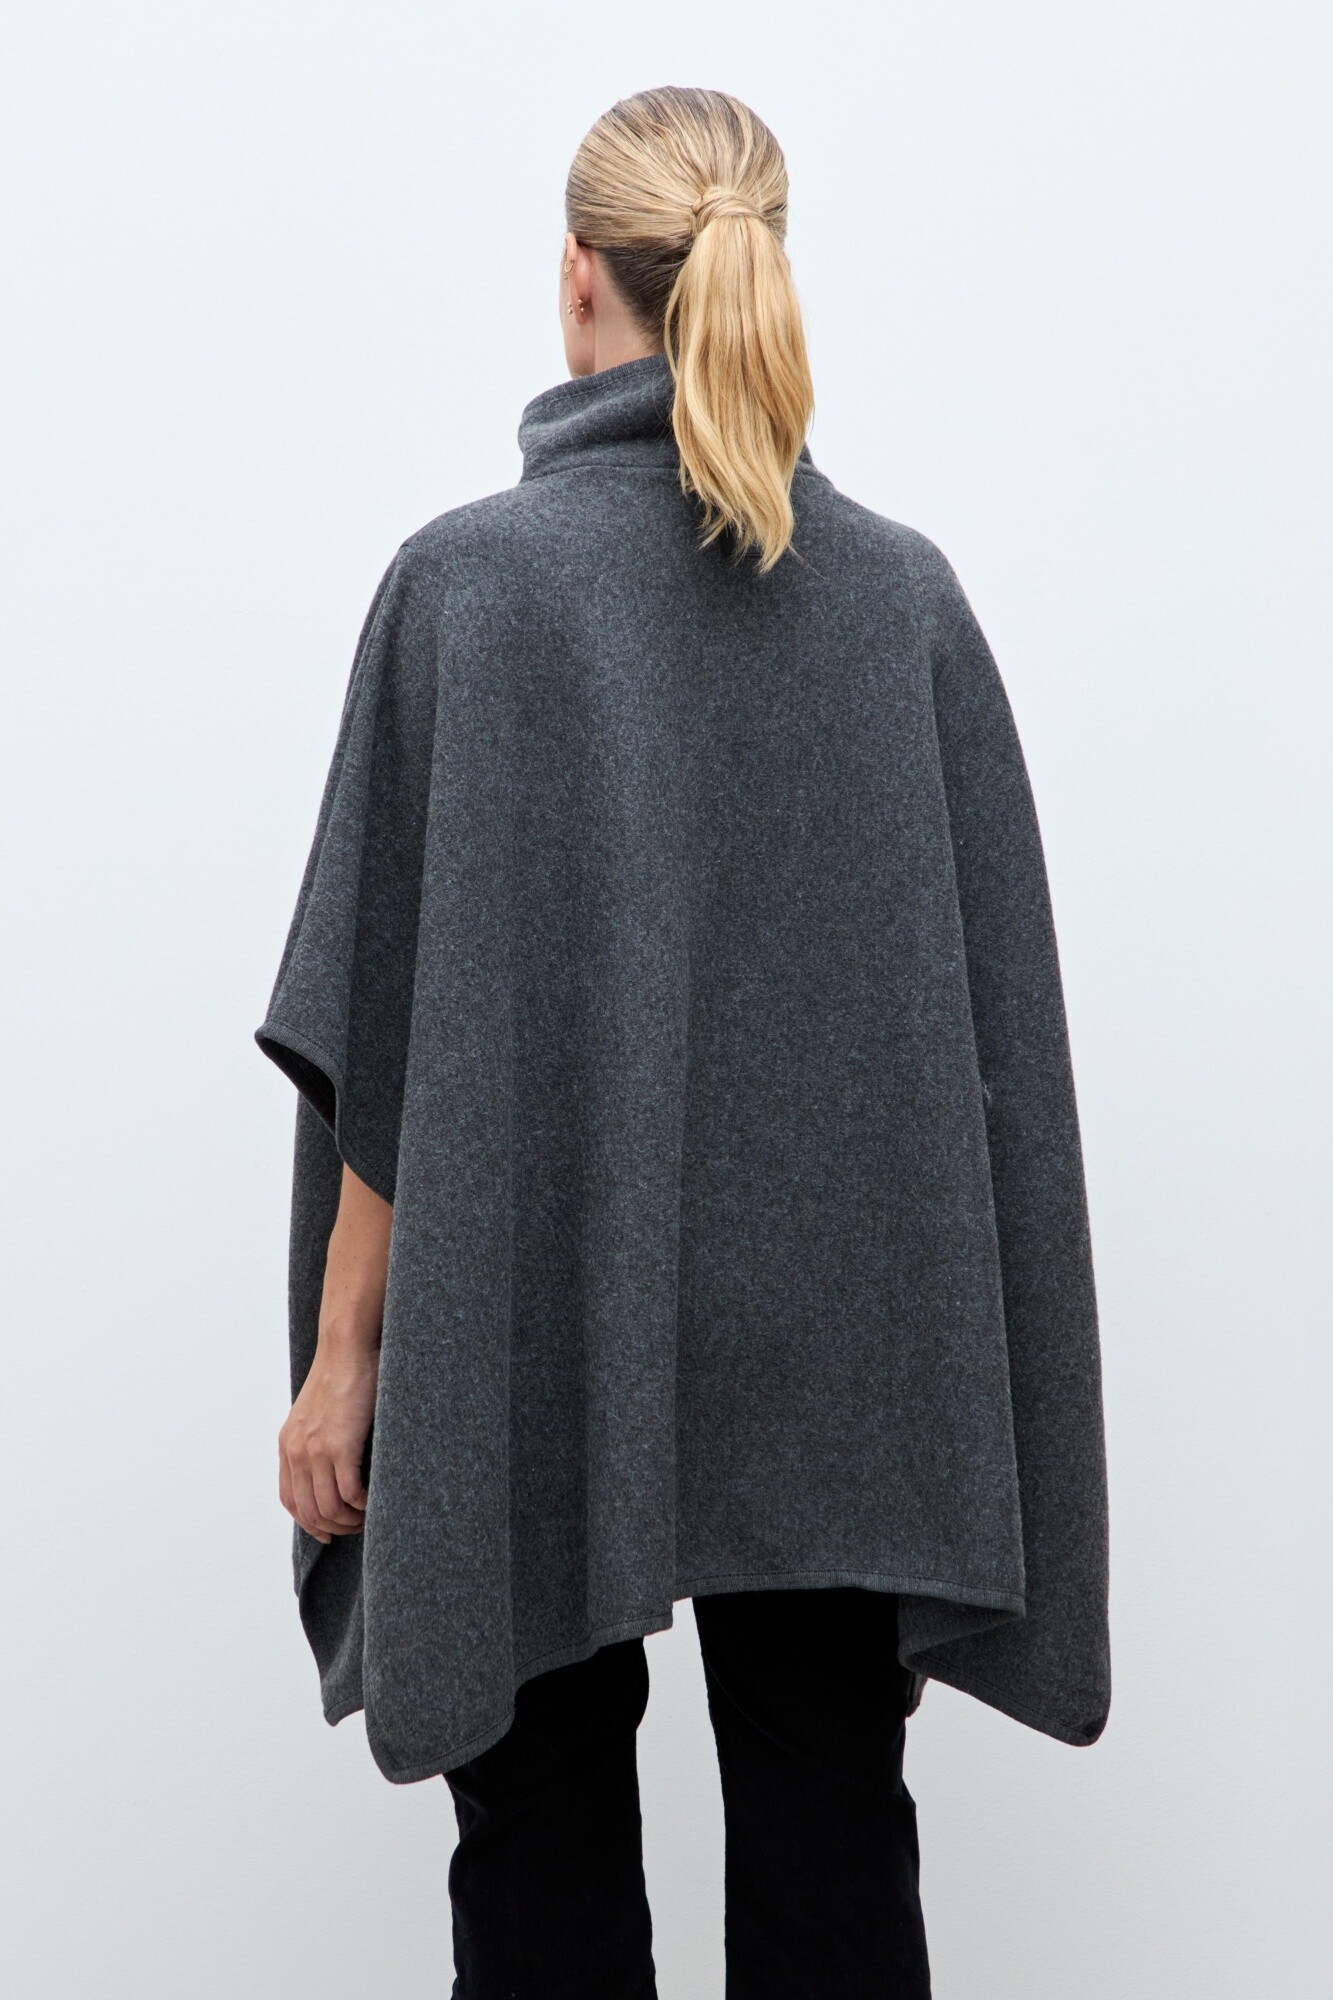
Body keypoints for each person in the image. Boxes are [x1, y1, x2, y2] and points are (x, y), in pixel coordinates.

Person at [257, 85, 1110, 2000]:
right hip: (850, 1364)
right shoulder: (903, 602)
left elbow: (388, 1037)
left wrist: (344, 1356)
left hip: (535, 1325)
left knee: (539, 1840)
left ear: (577, 277)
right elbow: (991, 1060)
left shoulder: (469, 589)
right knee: (831, 1834)